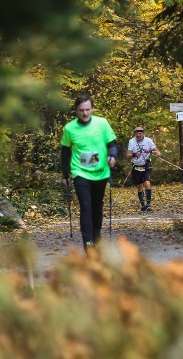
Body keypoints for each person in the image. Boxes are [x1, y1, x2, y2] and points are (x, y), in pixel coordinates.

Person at [61, 93, 118, 254]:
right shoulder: (70, 128)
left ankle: (97, 237)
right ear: (76, 111)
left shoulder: (102, 124)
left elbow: (112, 144)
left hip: (100, 172)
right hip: (80, 172)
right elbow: (65, 151)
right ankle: (88, 243)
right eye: (81, 110)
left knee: (97, 207)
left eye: (87, 110)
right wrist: (66, 174)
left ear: (92, 109)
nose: (85, 113)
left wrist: (112, 156)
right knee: (86, 206)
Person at [126, 126, 161, 211]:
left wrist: (149, 151)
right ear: (135, 134)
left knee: (147, 183)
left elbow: (159, 153)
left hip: (146, 164)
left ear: (143, 133)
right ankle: (143, 205)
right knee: (139, 186)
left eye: (140, 133)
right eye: (136, 133)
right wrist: (134, 154)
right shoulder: (131, 141)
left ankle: (148, 205)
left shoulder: (148, 140)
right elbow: (128, 155)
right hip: (136, 165)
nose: (138, 135)